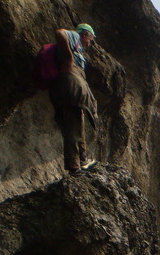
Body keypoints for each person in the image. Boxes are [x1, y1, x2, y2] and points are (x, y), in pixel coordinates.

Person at [49, 23, 98, 175]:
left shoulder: (79, 49)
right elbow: (59, 33)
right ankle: (74, 166)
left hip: (72, 88)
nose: (90, 42)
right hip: (70, 87)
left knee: (78, 122)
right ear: (85, 34)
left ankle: (82, 160)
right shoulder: (75, 36)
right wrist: (70, 57)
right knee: (72, 126)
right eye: (90, 38)